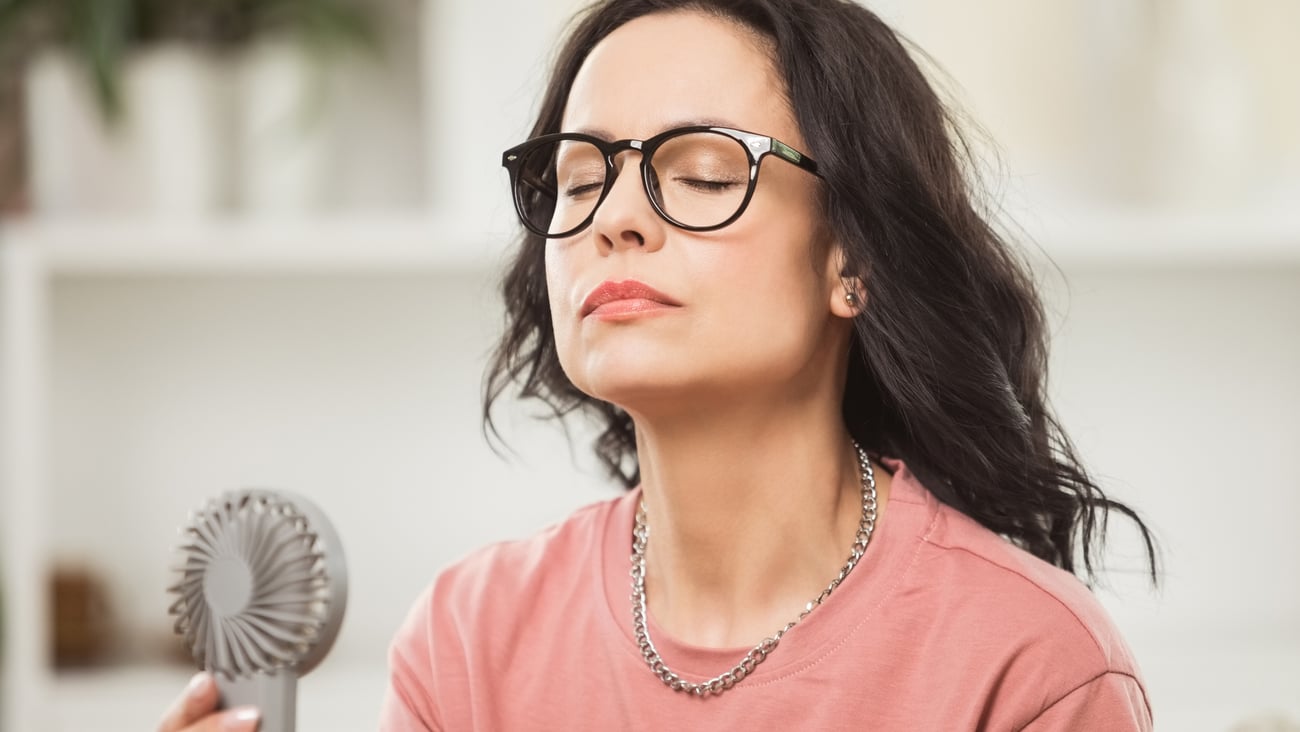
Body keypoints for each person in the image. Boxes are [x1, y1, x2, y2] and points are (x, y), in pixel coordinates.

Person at [161, 0, 1158, 729]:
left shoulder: (1028, 666)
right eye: (578, 179)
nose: (615, 220)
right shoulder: (470, 641)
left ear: (852, 260)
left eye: (701, 175)